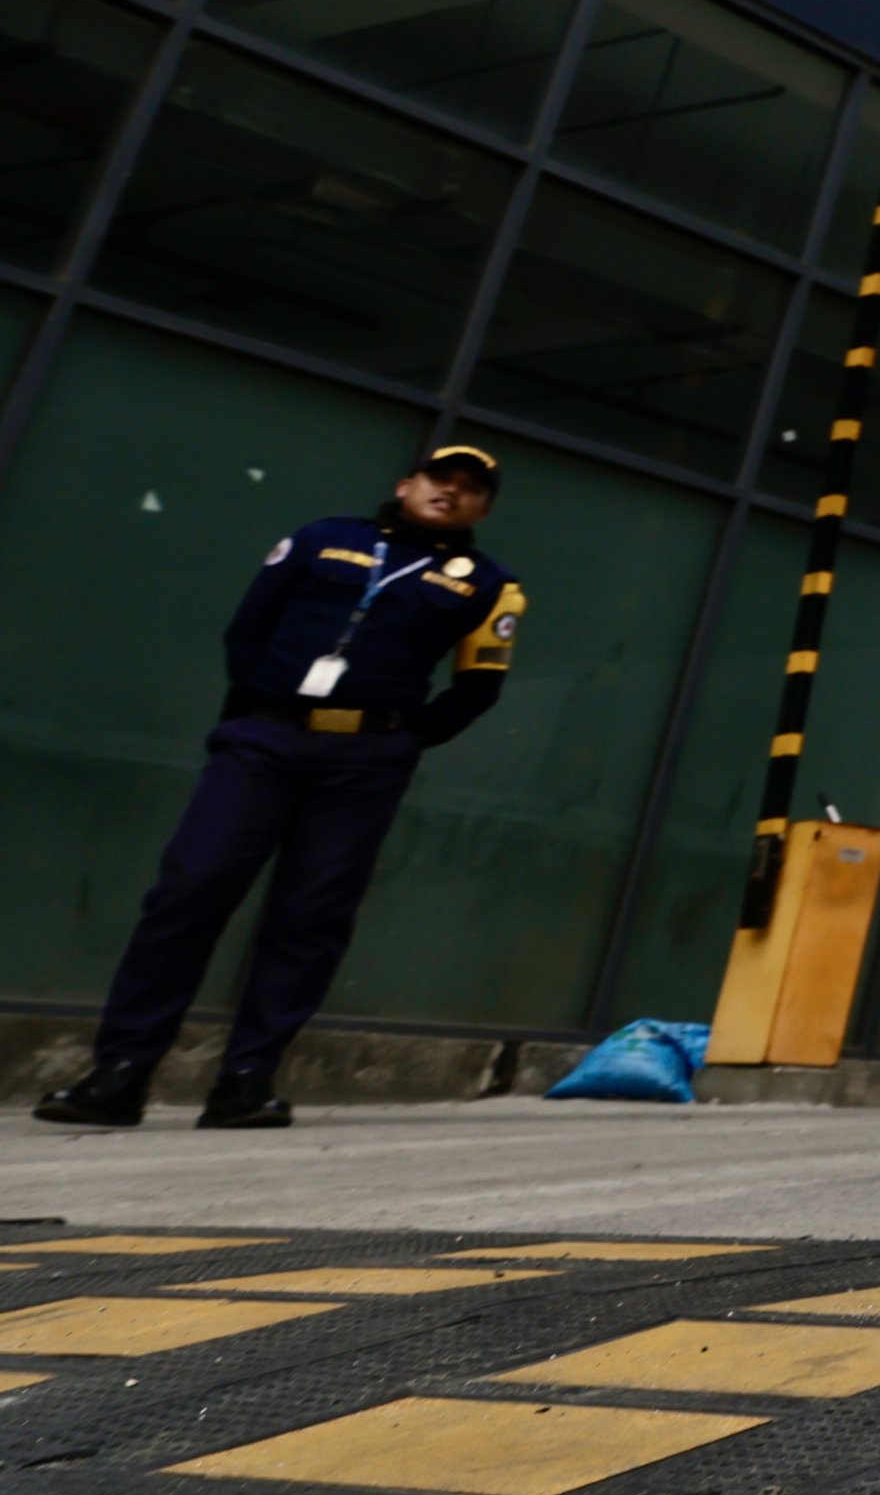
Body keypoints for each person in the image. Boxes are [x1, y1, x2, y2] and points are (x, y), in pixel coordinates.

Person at [34, 448, 524, 1132]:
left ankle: (246, 1081)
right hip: (263, 741)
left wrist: (402, 739)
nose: (453, 492)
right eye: (442, 478)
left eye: (471, 489)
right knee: (189, 889)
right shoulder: (324, 537)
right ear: (406, 482)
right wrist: (253, 714)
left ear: (484, 508)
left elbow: (479, 687)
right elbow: (249, 629)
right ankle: (119, 1074)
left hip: (366, 760)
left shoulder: (491, 587)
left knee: (310, 916)